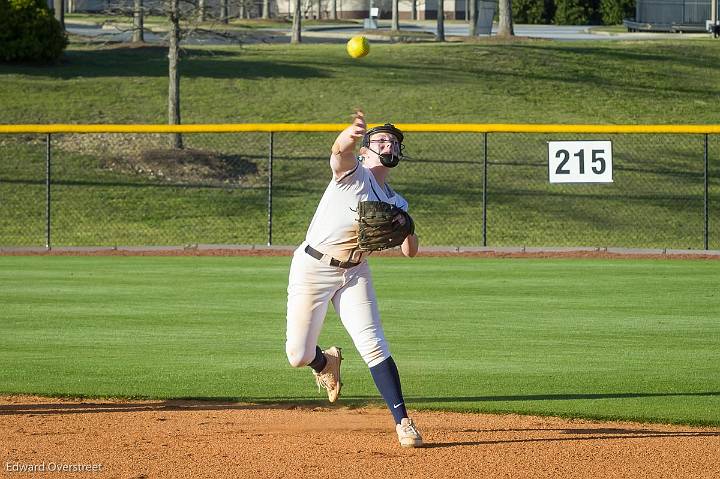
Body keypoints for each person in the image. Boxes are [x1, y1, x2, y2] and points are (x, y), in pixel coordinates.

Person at [284, 110, 423, 448]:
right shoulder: (353, 173)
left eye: (393, 140)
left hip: (354, 273)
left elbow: (411, 251)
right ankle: (324, 361)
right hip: (313, 267)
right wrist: (350, 133)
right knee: (297, 356)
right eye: (379, 139)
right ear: (365, 149)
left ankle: (403, 422)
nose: (388, 142)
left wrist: (408, 226)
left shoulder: (396, 200)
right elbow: (338, 151)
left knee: (374, 345)